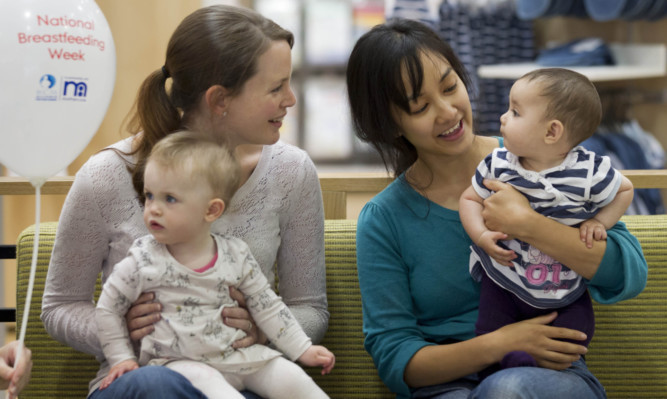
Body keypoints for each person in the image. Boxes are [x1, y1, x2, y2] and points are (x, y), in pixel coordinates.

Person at [346, 18, 647, 399]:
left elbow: (629, 275)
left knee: (508, 390)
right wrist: (500, 343)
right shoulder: (385, 218)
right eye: (420, 106)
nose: (448, 111)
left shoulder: (545, 160)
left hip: (547, 378)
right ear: (390, 125)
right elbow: (395, 358)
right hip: (447, 387)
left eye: (450, 87)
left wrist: (530, 225)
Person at [42, 5, 328, 399]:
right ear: (220, 99)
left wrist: (264, 329)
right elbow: (59, 307)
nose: (291, 99)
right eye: (276, 88)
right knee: (157, 385)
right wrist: (119, 328)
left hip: (241, 377)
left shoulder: (291, 172)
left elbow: (310, 308)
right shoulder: (105, 175)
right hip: (142, 383)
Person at [96, 131, 334, 398]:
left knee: (291, 377)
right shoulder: (142, 259)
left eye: (169, 199)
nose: (153, 208)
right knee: (216, 388)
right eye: (150, 196)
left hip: (240, 356)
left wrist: (302, 349)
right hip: (180, 365)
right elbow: (107, 309)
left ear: (211, 210)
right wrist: (121, 358)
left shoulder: (235, 253)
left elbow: (267, 306)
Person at [459, 68, 634, 379]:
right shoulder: (498, 163)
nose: (502, 118)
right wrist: (482, 234)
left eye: (514, 111)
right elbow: (469, 199)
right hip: (505, 277)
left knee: (576, 332)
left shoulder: (588, 171)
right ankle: (509, 367)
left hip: (562, 283)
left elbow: (624, 190)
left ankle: (536, 370)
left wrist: (599, 222)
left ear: (552, 132)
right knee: (489, 326)